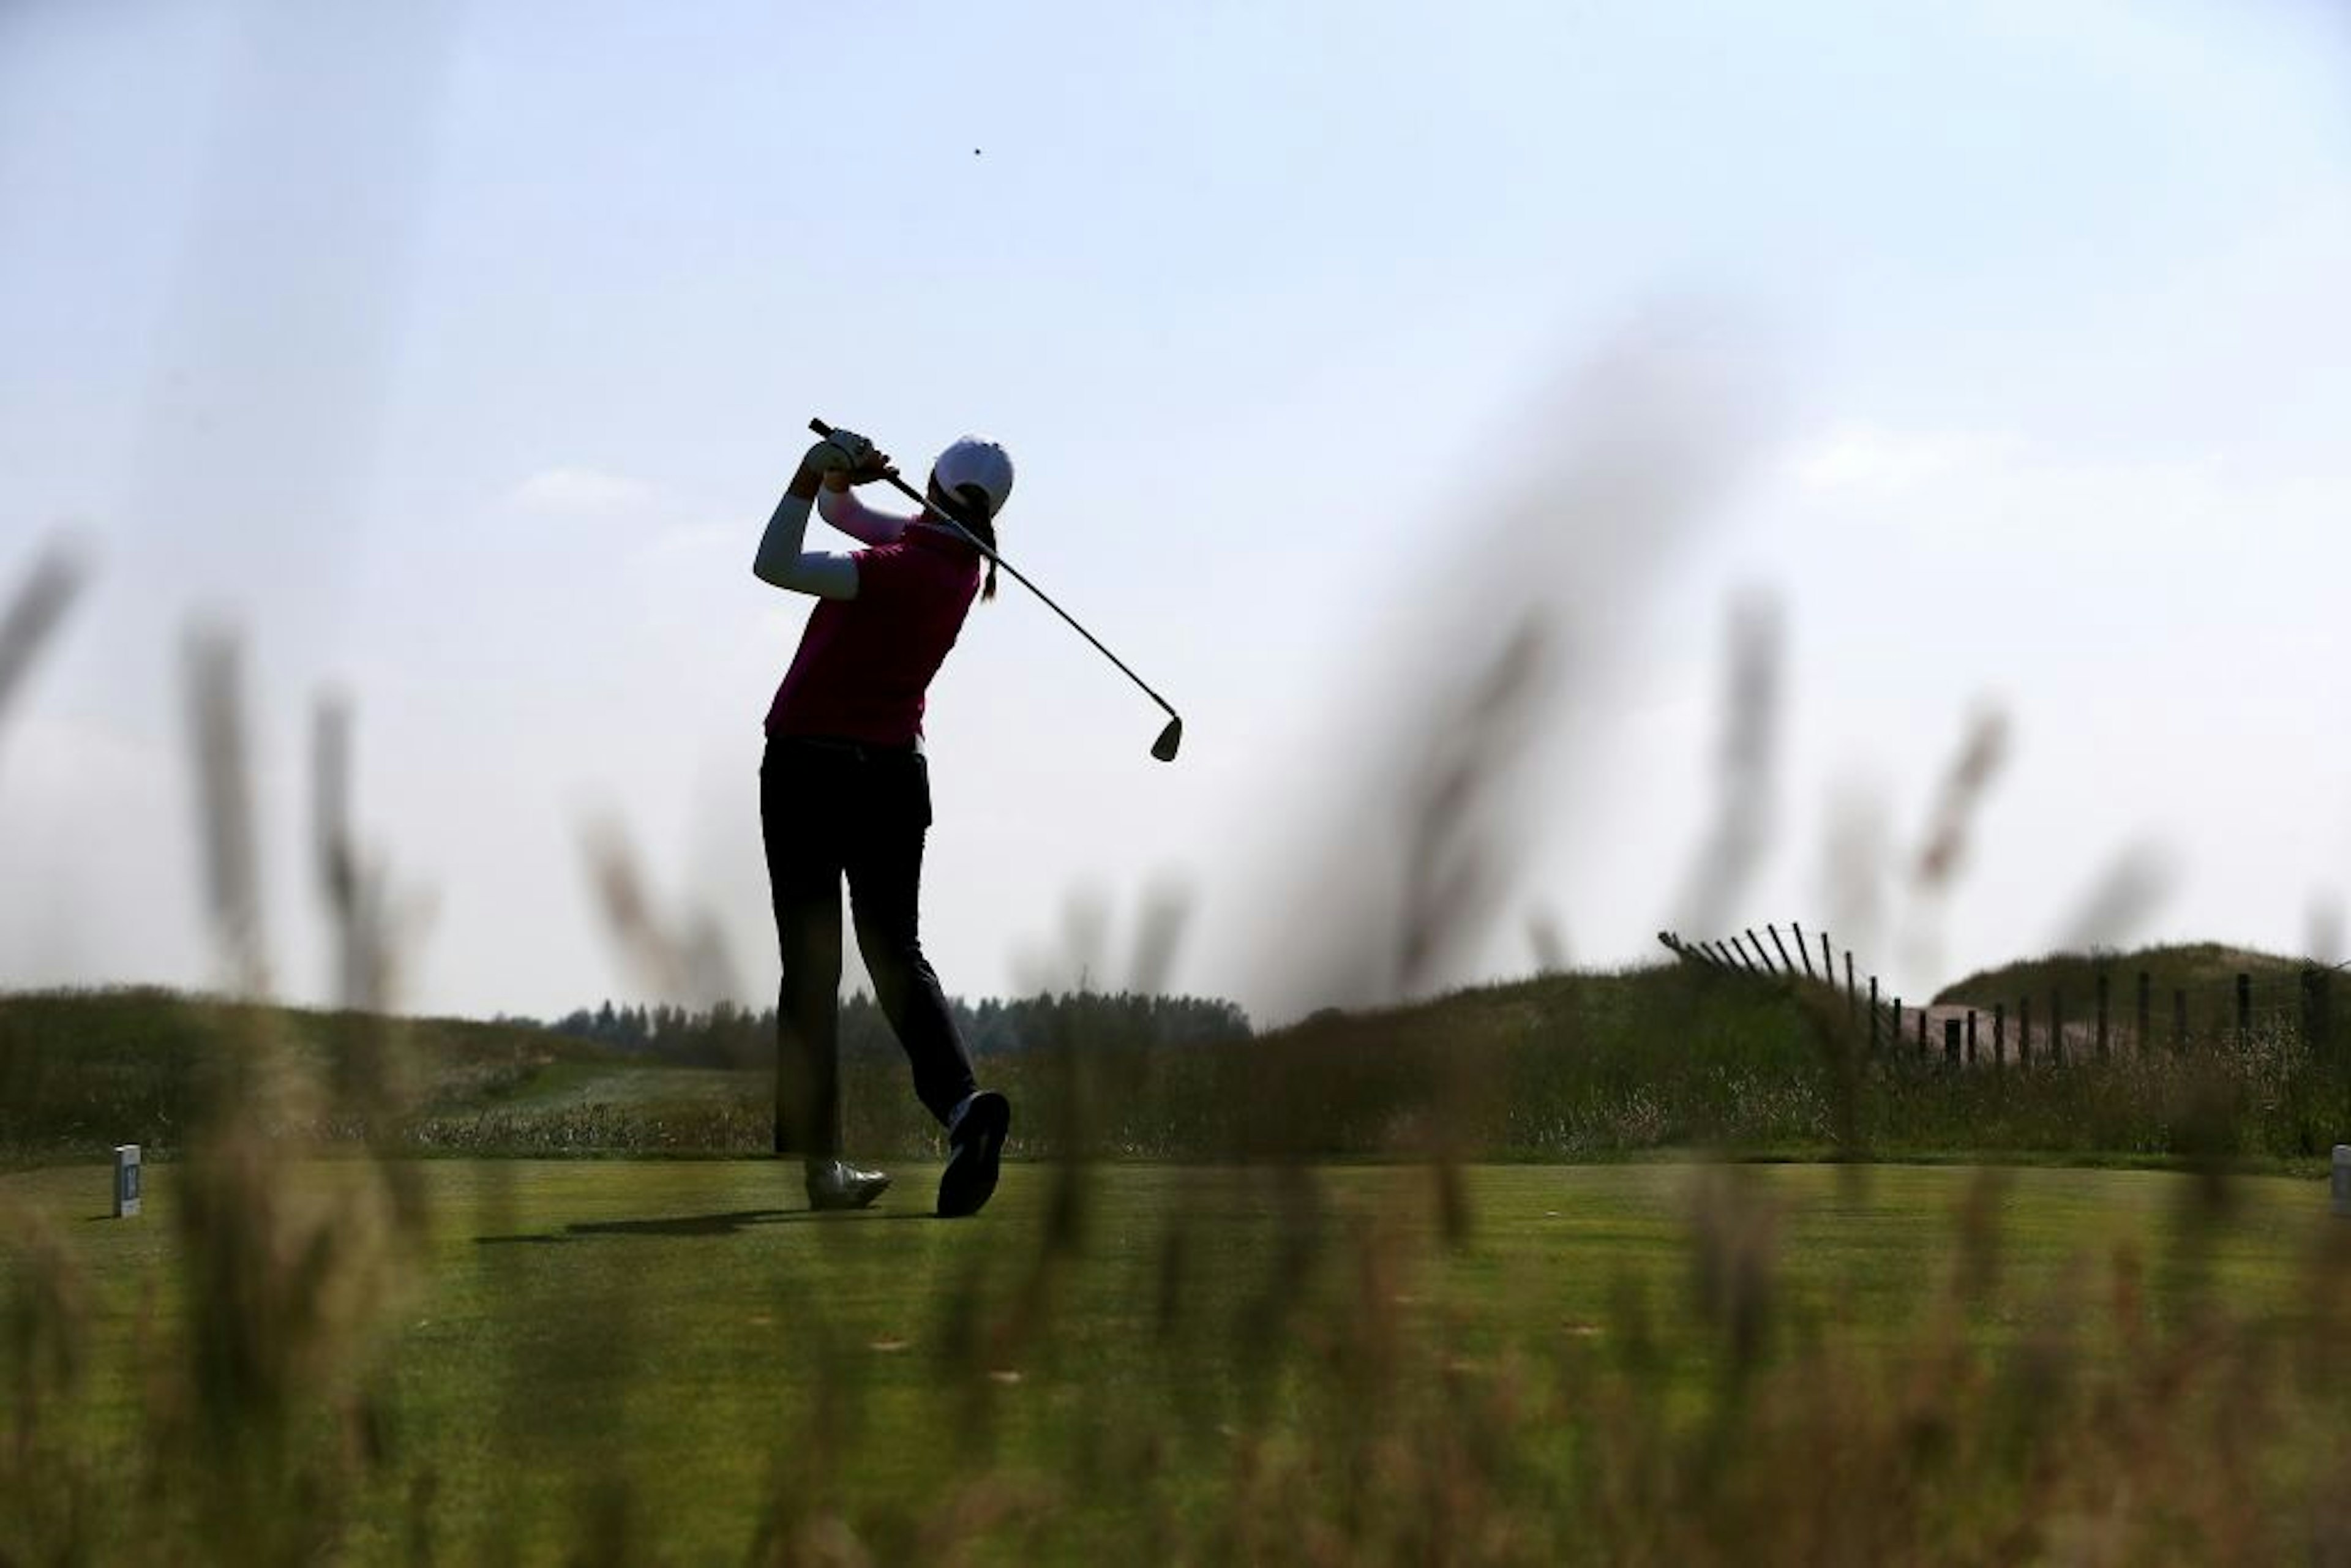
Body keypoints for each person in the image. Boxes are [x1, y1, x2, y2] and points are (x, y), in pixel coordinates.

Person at [750, 426, 1014, 1217]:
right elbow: (851, 519)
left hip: (808, 768)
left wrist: (805, 474)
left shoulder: (896, 568)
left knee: (812, 964)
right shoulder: (958, 563)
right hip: (896, 775)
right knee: (896, 951)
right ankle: (966, 1109)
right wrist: (842, 484)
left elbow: (775, 564)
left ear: (932, 480)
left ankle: (822, 1165)